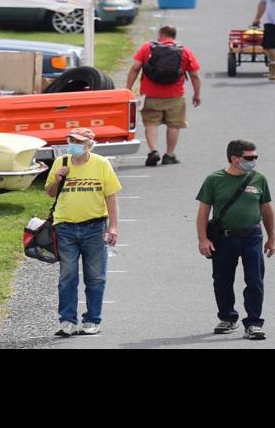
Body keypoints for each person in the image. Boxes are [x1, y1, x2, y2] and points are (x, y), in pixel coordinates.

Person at [45, 127, 121, 337]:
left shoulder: (101, 164)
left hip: (95, 227)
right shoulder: (61, 163)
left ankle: (92, 320)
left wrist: (113, 226)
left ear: (89, 145)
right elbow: (50, 193)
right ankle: (67, 320)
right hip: (65, 226)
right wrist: (58, 179)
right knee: (67, 275)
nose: (74, 145)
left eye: (79, 141)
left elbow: (111, 196)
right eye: (71, 140)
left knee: (96, 276)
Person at [197, 139, 275, 341]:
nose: (254, 161)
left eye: (255, 157)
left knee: (255, 280)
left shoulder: (259, 179)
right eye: (249, 158)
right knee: (222, 280)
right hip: (224, 238)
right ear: (234, 158)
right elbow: (203, 213)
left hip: (252, 236)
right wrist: (203, 239)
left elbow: (267, 209)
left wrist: (271, 238)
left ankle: (254, 323)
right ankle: (227, 317)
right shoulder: (214, 180)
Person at [126, 25, 203, 167]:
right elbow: (195, 76)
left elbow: (135, 68)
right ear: (174, 36)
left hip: (149, 95)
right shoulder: (184, 51)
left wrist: (128, 89)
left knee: (150, 123)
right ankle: (169, 155)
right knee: (174, 124)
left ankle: (153, 151)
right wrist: (197, 94)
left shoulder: (146, 49)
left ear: (160, 34)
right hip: (175, 96)